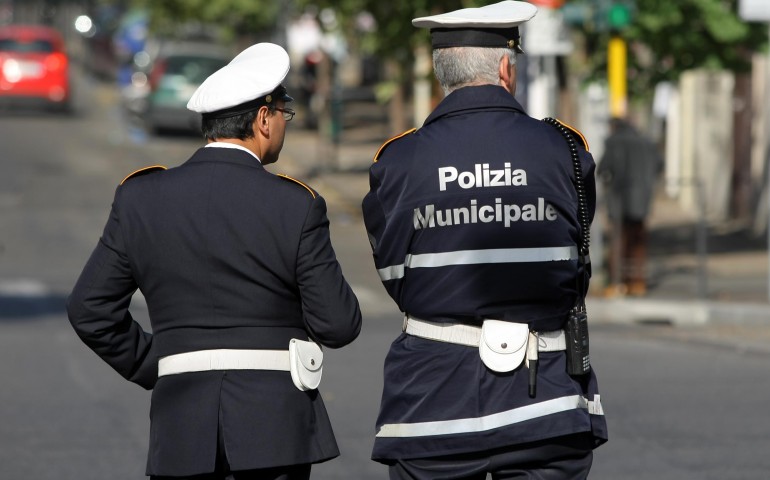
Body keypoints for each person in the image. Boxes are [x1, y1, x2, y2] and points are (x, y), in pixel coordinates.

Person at [66, 43, 362, 480]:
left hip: (181, 430)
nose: (285, 122)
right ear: (263, 120)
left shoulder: (140, 198)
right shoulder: (296, 204)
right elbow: (338, 324)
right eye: (284, 112)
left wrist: (157, 364)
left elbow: (89, 309)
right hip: (274, 436)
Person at [361, 2, 607, 479]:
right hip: (548, 402)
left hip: (433, 402)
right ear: (506, 69)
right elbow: (576, 257)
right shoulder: (566, 149)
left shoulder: (397, 160)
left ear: (441, 74)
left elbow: (393, 274)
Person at [598, 117, 663, 297]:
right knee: (639, 242)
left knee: (618, 241)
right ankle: (637, 282)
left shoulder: (613, 142)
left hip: (619, 200)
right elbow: (659, 165)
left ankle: (617, 283)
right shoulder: (647, 143)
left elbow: (603, 169)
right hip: (641, 200)